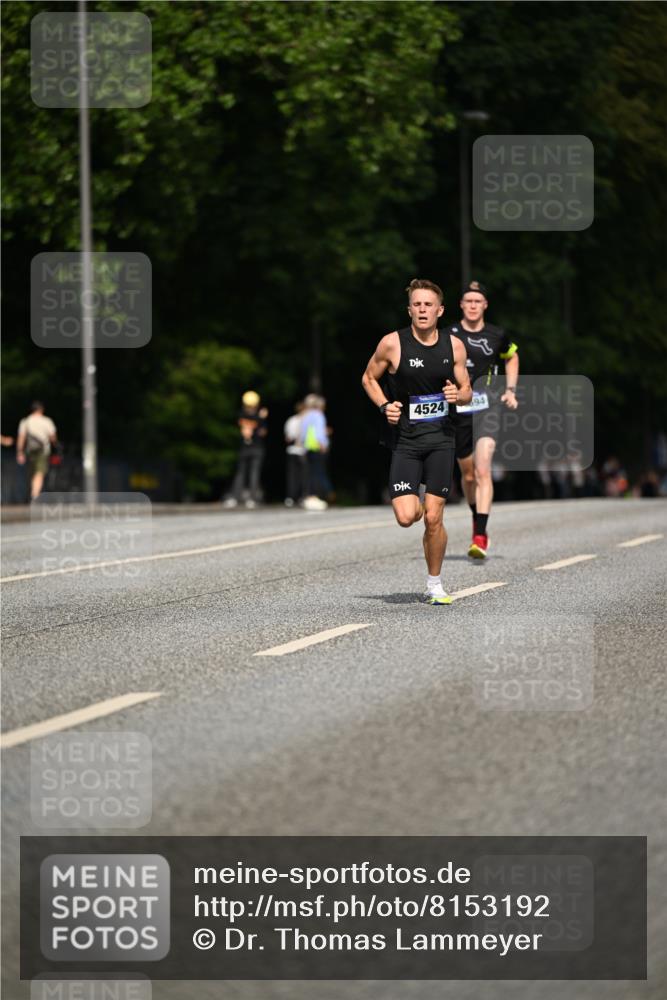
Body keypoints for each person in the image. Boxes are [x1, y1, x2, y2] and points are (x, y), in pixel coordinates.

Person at [361, 278, 472, 605]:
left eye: (428, 305)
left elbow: (467, 391)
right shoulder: (392, 344)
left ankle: (434, 584)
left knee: (435, 517)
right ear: (409, 309)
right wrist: (384, 406)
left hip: (441, 438)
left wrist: (458, 395)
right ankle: (424, 508)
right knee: (407, 516)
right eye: (417, 304)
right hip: (406, 441)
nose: (422, 310)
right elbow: (369, 378)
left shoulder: (454, 346)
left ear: (439, 310)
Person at [446, 281, 519, 559]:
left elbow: (512, 357)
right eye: (469, 301)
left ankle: (480, 534)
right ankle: (477, 517)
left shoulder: (496, 334)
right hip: (458, 410)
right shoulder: (449, 334)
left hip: (489, 406)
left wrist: (510, 390)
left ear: (485, 305)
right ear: (462, 305)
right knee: (467, 474)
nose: (474, 305)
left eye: (478, 301)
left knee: (483, 470)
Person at [223, 390, 268, 508]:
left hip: (255, 447)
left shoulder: (247, 415)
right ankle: (237, 497)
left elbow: (262, 432)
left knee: (252, 473)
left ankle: (250, 498)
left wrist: (260, 419)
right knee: (242, 473)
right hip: (247, 447)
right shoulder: (248, 415)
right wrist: (260, 418)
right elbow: (260, 432)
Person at [16, 401, 57, 500]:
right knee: (40, 472)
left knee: (32, 473)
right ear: (41, 410)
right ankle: (35, 494)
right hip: (43, 451)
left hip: (30, 451)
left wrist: (19, 452)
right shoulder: (47, 421)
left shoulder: (25, 421)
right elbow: (53, 438)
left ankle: (33, 491)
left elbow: (21, 438)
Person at [299, 394, 330, 511]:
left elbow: (302, 432)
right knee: (317, 472)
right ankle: (314, 496)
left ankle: (309, 496)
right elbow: (319, 431)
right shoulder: (318, 415)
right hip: (317, 447)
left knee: (310, 473)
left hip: (308, 447)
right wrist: (323, 444)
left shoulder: (306, 415)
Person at [283, 400, 306, 507]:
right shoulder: (306, 421)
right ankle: (300, 497)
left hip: (291, 450)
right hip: (301, 451)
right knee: (302, 475)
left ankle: (291, 497)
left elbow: (287, 437)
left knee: (292, 475)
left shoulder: (291, 420)